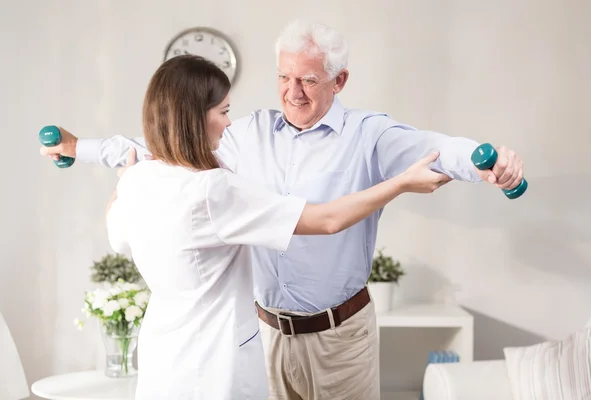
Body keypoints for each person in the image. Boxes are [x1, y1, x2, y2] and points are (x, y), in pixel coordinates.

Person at [41, 20, 525, 400]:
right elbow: (167, 151)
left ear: (340, 80)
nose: (293, 91)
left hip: (339, 338)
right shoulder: (244, 135)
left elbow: (436, 148)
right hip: (263, 335)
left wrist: (490, 163)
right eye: (284, 77)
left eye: (308, 79)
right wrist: (82, 148)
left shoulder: (368, 135)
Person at [106, 54, 454, 400]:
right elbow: (327, 219)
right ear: (193, 117)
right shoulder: (213, 190)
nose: (229, 125)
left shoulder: (137, 180)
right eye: (224, 112)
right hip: (215, 367)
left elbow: (118, 236)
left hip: (163, 362)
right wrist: (402, 183)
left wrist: (123, 181)